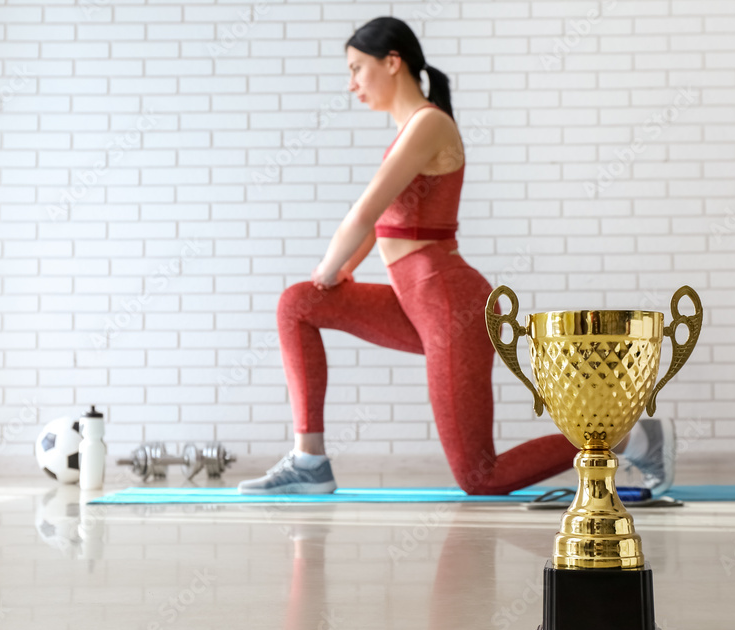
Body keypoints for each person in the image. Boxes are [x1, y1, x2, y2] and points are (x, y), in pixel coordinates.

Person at [238, 17, 675, 496]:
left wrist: (327, 268)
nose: (352, 84)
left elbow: (365, 210)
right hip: (417, 302)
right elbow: (387, 220)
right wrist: (344, 268)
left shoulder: (428, 123)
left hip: (450, 304)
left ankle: (631, 437)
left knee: (479, 477)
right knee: (298, 304)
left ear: (392, 62)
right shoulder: (411, 129)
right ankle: (310, 461)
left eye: (357, 69)